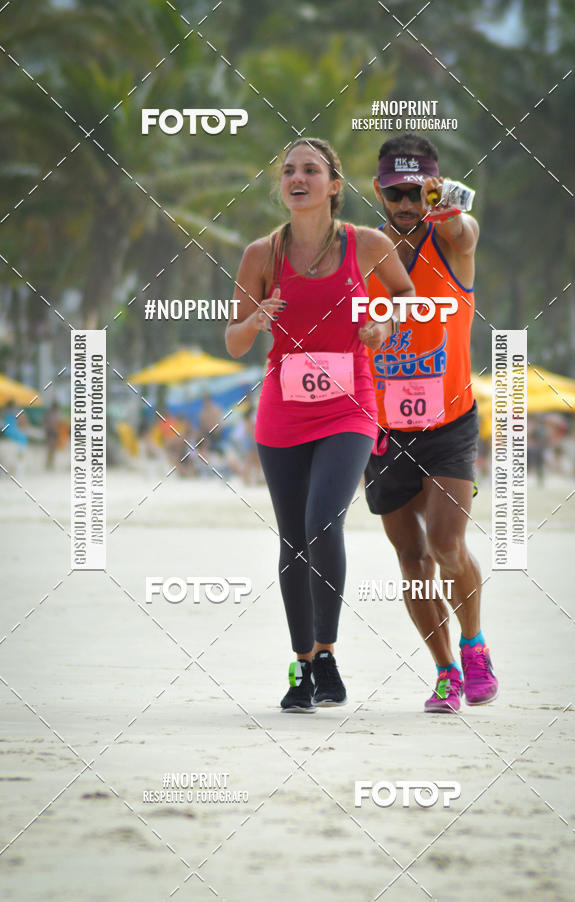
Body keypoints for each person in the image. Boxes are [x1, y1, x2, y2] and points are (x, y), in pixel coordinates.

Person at [226, 137, 413, 712]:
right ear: (281, 186)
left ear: (334, 185)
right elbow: (233, 342)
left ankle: (327, 653)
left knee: (320, 523)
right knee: (292, 538)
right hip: (282, 410)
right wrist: (255, 320)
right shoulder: (262, 254)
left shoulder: (369, 244)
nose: (296, 178)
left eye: (310, 170)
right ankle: (302, 666)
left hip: (349, 404)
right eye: (288, 171)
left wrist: (382, 321)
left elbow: (407, 297)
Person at [364, 133, 498, 713]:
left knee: (447, 545)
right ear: (378, 190)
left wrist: (446, 203)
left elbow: (464, 229)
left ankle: (474, 645)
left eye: (417, 190)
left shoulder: (454, 240)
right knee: (411, 560)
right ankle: (445, 671)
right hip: (382, 429)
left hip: (449, 424)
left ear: (435, 187)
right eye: (395, 191)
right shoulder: (362, 252)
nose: (406, 203)